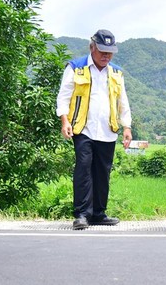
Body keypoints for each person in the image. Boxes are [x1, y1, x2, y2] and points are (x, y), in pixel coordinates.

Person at [56, 29, 132, 230]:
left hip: (108, 130)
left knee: (102, 172)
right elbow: (63, 97)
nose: (106, 56)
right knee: (84, 168)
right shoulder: (76, 68)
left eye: (110, 52)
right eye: (102, 51)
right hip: (83, 129)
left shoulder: (116, 72)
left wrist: (127, 127)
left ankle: (98, 213)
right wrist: (65, 121)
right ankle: (81, 214)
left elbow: (122, 101)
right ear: (92, 48)